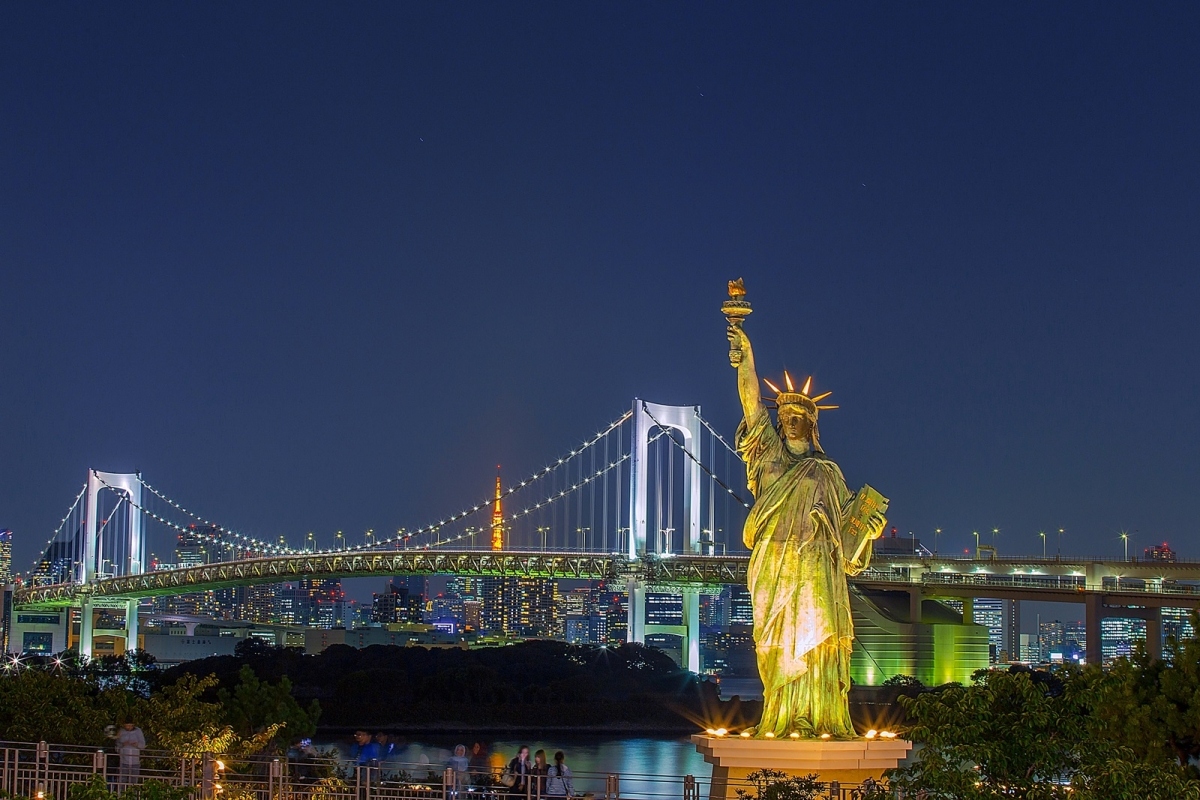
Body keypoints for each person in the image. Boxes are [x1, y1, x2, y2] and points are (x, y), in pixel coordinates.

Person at [726, 300, 888, 739]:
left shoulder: (828, 473)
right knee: (776, 643)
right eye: (785, 416)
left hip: (816, 567)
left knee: (819, 640)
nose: (791, 421)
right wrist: (746, 351)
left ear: (812, 424)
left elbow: (848, 538)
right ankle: (780, 715)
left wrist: (866, 533)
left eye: (799, 417)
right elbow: (749, 402)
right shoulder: (769, 455)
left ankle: (817, 716)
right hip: (775, 564)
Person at [113, 720, 146, 787]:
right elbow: (116, 747)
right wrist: (122, 744)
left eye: (129, 726)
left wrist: (136, 745)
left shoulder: (138, 731)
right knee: (122, 781)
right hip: (124, 761)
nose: (128, 727)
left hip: (135, 762)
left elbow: (143, 745)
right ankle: (121, 796)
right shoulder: (121, 732)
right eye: (126, 726)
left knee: (134, 782)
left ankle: (132, 796)